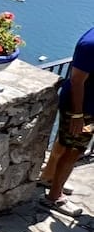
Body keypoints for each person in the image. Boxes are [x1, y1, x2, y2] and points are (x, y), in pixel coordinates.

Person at [39, 24, 94, 216]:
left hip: (88, 109)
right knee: (73, 150)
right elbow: (77, 80)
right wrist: (78, 115)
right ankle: (54, 197)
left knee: (66, 145)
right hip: (82, 110)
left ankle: (50, 178)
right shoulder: (91, 44)